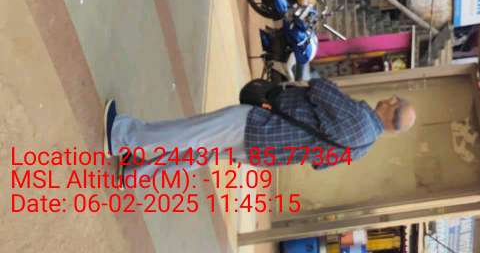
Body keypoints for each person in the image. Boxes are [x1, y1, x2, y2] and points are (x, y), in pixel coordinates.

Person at [103, 84, 415, 176]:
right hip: (266, 152)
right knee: (199, 153)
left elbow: (320, 89)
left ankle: (121, 136)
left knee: (192, 133)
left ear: (392, 106)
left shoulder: (360, 116)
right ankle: (136, 171)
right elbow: (319, 163)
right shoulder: (363, 148)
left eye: (394, 100)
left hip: (262, 126)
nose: (390, 98)